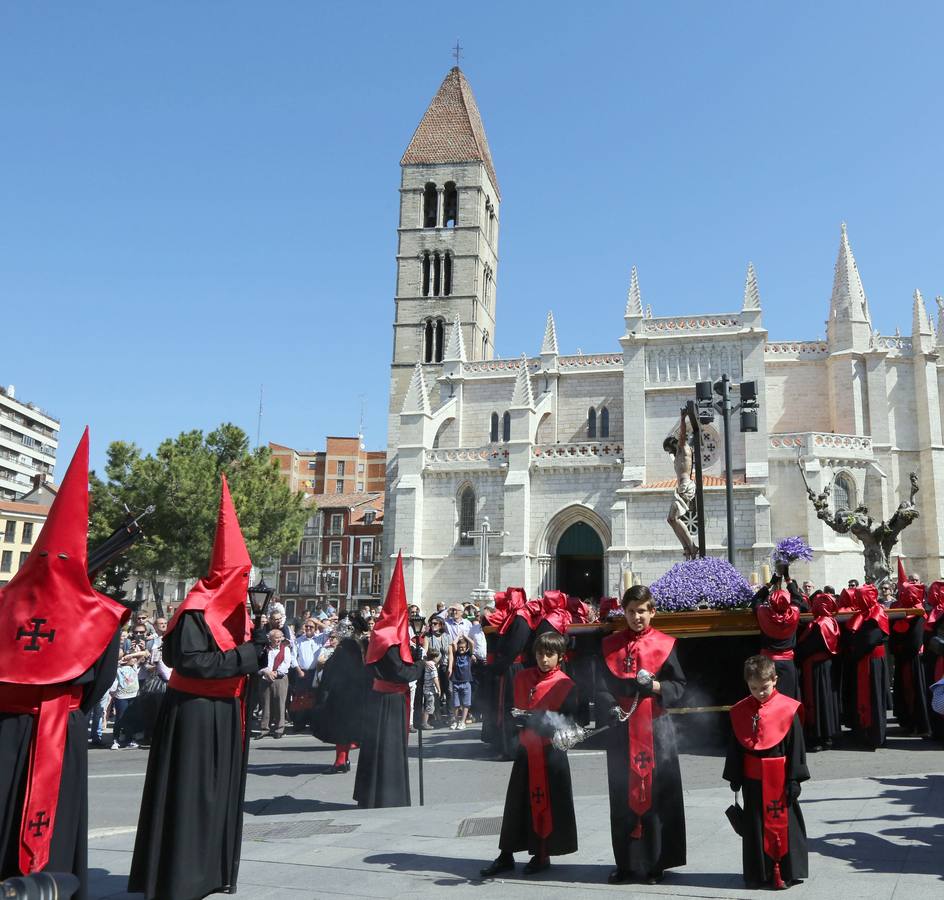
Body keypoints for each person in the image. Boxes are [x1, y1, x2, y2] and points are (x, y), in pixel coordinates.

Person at [0, 430, 129, 898]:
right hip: (60, 729)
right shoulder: (100, 614)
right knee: (53, 837)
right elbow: (98, 689)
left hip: (3, 727)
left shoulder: (3, 600)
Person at [128, 476, 266, 900]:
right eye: (241, 575)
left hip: (224, 712)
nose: (246, 584)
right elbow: (189, 661)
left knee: (216, 794)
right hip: (194, 712)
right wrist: (250, 656)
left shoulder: (232, 613)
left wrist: (251, 652)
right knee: (190, 796)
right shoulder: (196, 610)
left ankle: (210, 871)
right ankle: (181, 876)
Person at [596, 585, 687, 885]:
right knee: (622, 795)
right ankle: (626, 865)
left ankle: (654, 864)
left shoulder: (665, 644)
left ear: (652, 612)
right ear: (624, 612)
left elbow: (679, 686)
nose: (637, 617)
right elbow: (601, 687)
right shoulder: (610, 645)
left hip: (656, 729)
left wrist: (658, 688)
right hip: (622, 728)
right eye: (632, 611)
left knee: (657, 795)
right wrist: (609, 706)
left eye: (643, 611)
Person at [480, 631, 578, 878]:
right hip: (526, 751)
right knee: (516, 805)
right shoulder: (523, 677)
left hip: (550, 754)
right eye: (540, 653)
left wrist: (537, 720)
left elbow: (569, 722)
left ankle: (541, 854)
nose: (544, 659)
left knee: (547, 805)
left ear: (560, 656)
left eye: (549, 654)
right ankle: (506, 855)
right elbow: (510, 709)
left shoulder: (565, 684)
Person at [724, 655, 809, 889]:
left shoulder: (787, 708)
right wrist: (735, 776)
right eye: (754, 688)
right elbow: (736, 745)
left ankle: (786, 871)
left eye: (764, 687)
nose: (760, 693)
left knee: (784, 826)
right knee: (755, 827)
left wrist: (794, 779)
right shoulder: (741, 710)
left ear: (775, 680)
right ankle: (758, 873)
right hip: (753, 780)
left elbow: (796, 747)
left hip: (780, 780)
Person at [353, 553, 422, 808]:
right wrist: (419, 668)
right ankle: (387, 796)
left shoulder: (382, 634)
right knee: (388, 751)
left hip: (380, 698)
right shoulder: (389, 637)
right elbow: (399, 672)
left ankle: (371, 795)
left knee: (377, 749)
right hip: (390, 701)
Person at [312, 614, 370, 773]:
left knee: (341, 730)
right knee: (345, 730)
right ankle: (342, 760)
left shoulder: (347, 647)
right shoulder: (360, 644)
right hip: (354, 693)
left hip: (344, 694)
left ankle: (340, 762)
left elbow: (335, 670)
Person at [842, 584, 890, 749]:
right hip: (864, 659)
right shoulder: (862, 614)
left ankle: (875, 735)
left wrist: (854, 651)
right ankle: (863, 730)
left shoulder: (877, 613)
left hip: (872, 661)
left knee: (874, 697)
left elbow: (870, 639)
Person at [794, 592, 840, 751]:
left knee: (819, 700)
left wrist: (797, 653)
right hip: (825, 666)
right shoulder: (830, 621)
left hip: (817, 668)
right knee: (826, 700)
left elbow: (808, 647)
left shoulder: (820, 624)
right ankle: (828, 735)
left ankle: (822, 737)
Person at [891, 576, 931, 736]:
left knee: (915, 691)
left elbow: (915, 642)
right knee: (905, 690)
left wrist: (901, 646)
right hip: (903, 659)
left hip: (914, 659)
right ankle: (908, 721)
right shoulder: (900, 611)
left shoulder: (919, 613)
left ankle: (919, 724)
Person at [752, 577, 801, 700]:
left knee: (768, 699)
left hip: (767, 663)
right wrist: (788, 580)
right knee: (788, 699)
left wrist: (770, 583)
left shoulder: (763, 613)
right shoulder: (794, 614)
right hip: (787, 663)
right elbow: (798, 599)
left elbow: (756, 600)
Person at [664, 411, 697, 560]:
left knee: (673, 518)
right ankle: (687, 547)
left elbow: (682, 434)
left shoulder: (683, 449)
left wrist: (683, 419)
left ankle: (692, 546)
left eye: (669, 449)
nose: (669, 452)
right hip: (681, 487)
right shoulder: (677, 455)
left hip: (686, 487)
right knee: (671, 519)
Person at [257, 628, 292, 739]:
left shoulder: (285, 649)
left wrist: (275, 673)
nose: (278, 640)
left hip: (280, 679)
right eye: (276, 638)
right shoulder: (264, 649)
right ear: (270, 638)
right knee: (265, 704)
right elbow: (260, 663)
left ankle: (279, 729)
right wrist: (266, 672)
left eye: (280, 637)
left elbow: (286, 664)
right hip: (265, 678)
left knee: (279, 704)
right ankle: (264, 729)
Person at [448, 635, 474, 730]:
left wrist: (465, 637)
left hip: (466, 682)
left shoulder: (469, 655)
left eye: (463, 647)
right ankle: (455, 721)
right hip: (456, 681)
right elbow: (453, 644)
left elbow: (472, 643)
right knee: (456, 704)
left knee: (466, 703)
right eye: (460, 648)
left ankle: (462, 721)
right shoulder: (456, 654)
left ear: (466, 648)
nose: (461, 649)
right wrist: (458, 637)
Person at [420, 648, 442, 730]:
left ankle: (427, 721)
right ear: (435, 657)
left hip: (426, 688)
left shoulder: (426, 664)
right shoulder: (432, 666)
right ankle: (424, 723)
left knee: (428, 706)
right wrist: (439, 689)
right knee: (429, 707)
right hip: (430, 690)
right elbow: (435, 679)